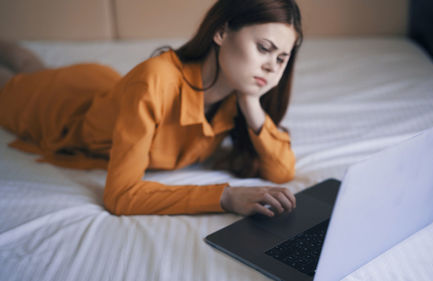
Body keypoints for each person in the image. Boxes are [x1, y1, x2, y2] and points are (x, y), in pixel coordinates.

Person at [0, 0, 303, 217]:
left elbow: (281, 171)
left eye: (281, 58)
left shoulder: (239, 95)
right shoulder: (156, 79)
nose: (271, 66)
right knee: (21, 79)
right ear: (222, 33)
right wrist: (225, 196)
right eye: (264, 48)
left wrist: (250, 101)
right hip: (56, 110)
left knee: (31, 65)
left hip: (100, 85)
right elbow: (120, 196)